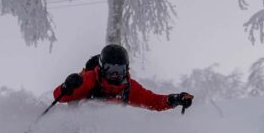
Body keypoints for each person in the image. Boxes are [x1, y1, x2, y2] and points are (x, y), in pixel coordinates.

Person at [53, 44, 194, 112]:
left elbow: (153, 101)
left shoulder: (128, 87)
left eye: (119, 70)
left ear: (126, 69)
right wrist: (68, 86)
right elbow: (59, 96)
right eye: (110, 69)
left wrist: (174, 99)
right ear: (102, 67)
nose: (114, 75)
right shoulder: (90, 79)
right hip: (78, 128)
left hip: (108, 132)